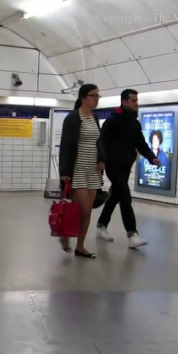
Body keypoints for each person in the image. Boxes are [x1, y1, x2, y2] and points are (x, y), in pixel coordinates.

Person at [96, 89, 160, 249]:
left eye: (136, 100)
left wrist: (152, 157)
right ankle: (132, 234)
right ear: (124, 101)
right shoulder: (112, 121)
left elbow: (141, 144)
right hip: (112, 166)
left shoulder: (134, 123)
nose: (136, 103)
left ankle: (101, 225)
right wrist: (102, 161)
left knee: (115, 195)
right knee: (125, 196)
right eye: (133, 100)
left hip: (125, 166)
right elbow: (101, 143)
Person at [58, 83, 106, 258]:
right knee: (84, 208)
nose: (97, 99)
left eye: (98, 96)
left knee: (89, 209)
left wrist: (102, 159)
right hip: (77, 168)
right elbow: (66, 145)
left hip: (92, 169)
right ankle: (65, 233)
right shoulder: (72, 118)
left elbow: (98, 141)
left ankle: (80, 245)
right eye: (94, 95)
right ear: (83, 98)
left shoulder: (95, 118)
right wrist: (64, 171)